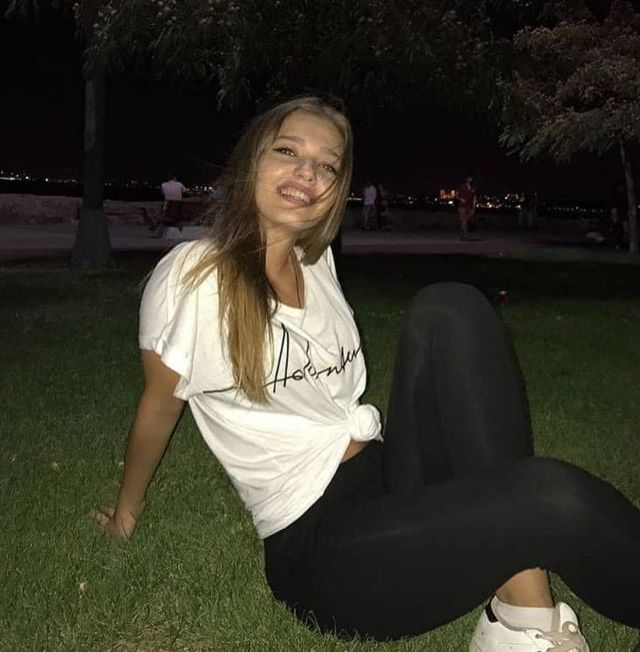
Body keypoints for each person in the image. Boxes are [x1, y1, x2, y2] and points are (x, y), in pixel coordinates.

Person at [92, 97, 640, 652]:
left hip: (388, 474)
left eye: (327, 165)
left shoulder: (315, 261)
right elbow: (160, 404)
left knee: (450, 306)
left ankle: (519, 612)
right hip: (324, 549)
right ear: (250, 161)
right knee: (553, 497)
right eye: (288, 152)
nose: (308, 173)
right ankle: (526, 610)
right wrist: (127, 513)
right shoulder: (195, 276)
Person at [457, 174, 477, 241]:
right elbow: (457, 196)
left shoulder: (474, 188)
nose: (470, 180)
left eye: (471, 178)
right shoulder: (462, 186)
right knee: (463, 220)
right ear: (467, 179)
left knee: (467, 220)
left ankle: (464, 234)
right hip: (462, 205)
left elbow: (474, 198)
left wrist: (474, 207)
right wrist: (461, 199)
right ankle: (465, 235)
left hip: (470, 206)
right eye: (469, 178)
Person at [609, 182, 628, 251]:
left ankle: (619, 244)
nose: (622, 188)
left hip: (623, 215)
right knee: (618, 230)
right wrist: (614, 216)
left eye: (622, 187)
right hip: (618, 215)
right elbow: (614, 207)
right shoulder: (615, 196)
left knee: (623, 230)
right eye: (621, 187)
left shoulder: (624, 195)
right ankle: (618, 244)